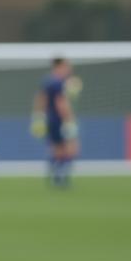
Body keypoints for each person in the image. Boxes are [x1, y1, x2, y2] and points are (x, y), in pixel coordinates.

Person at [30, 56, 79, 186]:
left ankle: (54, 174)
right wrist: (69, 120)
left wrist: (38, 117)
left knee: (56, 148)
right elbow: (61, 103)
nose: (69, 69)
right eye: (66, 66)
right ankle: (61, 177)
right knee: (71, 148)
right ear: (59, 67)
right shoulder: (58, 83)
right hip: (59, 119)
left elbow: (40, 99)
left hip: (49, 119)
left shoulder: (47, 81)